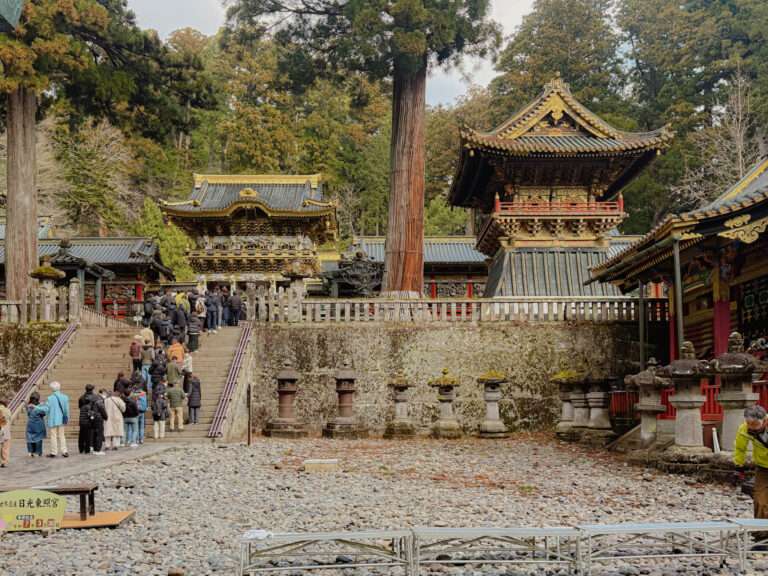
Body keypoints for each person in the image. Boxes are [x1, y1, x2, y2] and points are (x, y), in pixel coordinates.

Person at [735, 404, 768, 549]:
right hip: (763, 468)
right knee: (760, 500)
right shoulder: (744, 429)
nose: (752, 427)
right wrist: (738, 467)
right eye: (749, 423)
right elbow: (740, 448)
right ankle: (762, 537)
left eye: (755, 424)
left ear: (765, 420)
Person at [78, 384, 107, 455]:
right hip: (96, 416)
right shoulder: (97, 397)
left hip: (85, 417)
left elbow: (80, 407)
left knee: (84, 434)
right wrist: (105, 416)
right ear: (93, 389)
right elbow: (101, 407)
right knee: (97, 433)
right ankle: (96, 449)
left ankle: (83, 448)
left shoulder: (82, 397)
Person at [45, 381, 70, 458]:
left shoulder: (50, 398)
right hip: (61, 419)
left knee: (53, 436)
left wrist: (37, 407)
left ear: (52, 389)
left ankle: (54, 452)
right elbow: (66, 410)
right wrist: (67, 417)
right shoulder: (65, 397)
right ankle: (64, 451)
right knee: (62, 435)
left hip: (53, 420)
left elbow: (46, 409)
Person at [26, 392, 48, 457]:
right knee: (38, 438)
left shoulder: (28, 406)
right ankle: (37, 452)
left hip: (30, 425)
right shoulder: (39, 407)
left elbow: (28, 414)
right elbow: (43, 413)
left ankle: (30, 451)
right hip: (38, 425)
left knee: (30, 438)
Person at [0, 398, 11, 467]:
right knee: (5, 446)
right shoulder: (7, 410)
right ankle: (4, 461)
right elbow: (9, 418)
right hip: (6, 429)